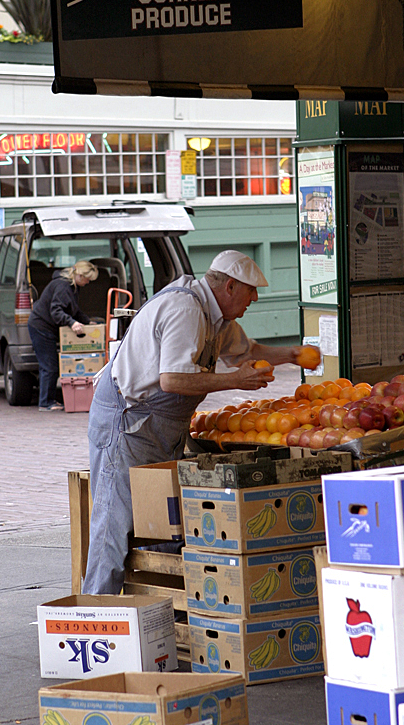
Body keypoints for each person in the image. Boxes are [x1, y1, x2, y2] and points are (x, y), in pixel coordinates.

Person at [83, 250, 320, 595]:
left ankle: (154, 611)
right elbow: (173, 380)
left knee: (160, 524)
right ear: (229, 286)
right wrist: (235, 380)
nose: (254, 298)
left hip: (159, 426)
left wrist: (293, 355)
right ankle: (96, 618)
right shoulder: (186, 310)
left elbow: (246, 351)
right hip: (128, 424)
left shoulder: (216, 318)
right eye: (250, 290)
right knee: (114, 525)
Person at [27, 259, 99, 411]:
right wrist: (72, 323)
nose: (88, 283)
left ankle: (49, 400)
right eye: (87, 279)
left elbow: (74, 309)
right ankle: (46, 402)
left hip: (45, 326)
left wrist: (87, 322)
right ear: (80, 275)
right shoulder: (63, 287)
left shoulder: (71, 287)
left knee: (50, 365)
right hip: (41, 327)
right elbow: (57, 310)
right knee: (49, 365)